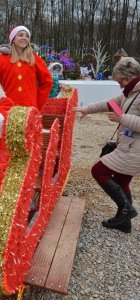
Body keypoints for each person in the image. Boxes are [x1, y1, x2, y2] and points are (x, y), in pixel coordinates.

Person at [74, 57, 140, 233]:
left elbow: (126, 116)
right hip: (129, 146)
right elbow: (110, 104)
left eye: (121, 81)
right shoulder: (130, 92)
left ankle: (127, 210)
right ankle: (124, 222)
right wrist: (86, 109)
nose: (120, 85)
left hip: (134, 150)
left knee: (98, 170)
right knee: (120, 180)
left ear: (130, 75)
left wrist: (122, 118)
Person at [0, 25, 53, 112]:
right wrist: (0, 103)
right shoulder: (1, 59)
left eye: (27, 36)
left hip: (29, 107)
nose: (24, 38)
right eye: (20, 35)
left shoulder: (35, 59)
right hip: (7, 108)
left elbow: (47, 81)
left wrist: (37, 103)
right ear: (13, 39)